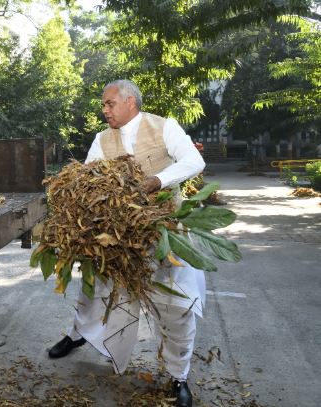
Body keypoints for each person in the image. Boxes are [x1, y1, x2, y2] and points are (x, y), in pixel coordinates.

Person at [47, 79, 206, 407]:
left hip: (165, 229)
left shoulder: (163, 127)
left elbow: (194, 161)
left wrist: (157, 181)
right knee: (94, 290)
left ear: (129, 101)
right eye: (104, 105)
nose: (104, 110)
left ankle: (178, 378)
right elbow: (87, 178)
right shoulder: (101, 139)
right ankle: (76, 336)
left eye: (109, 104)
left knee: (178, 303)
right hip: (119, 234)